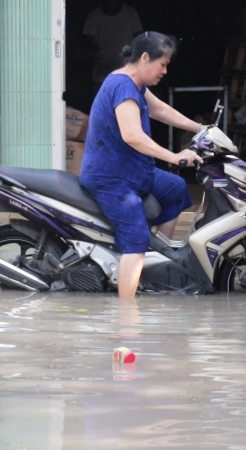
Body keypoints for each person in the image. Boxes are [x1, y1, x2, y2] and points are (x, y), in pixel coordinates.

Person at [79, 32, 204, 299]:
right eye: (163, 64)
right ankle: (127, 313)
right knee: (136, 242)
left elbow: (160, 110)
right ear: (145, 58)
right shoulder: (122, 87)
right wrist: (173, 156)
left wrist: (201, 129)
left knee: (176, 189)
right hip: (111, 179)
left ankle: (161, 263)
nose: (165, 71)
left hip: (133, 171)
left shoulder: (135, 84)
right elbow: (132, 135)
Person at [83, 0, 144, 97]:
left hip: (127, 75)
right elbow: (89, 43)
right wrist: (102, 58)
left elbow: (139, 41)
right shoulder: (95, 16)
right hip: (101, 77)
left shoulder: (131, 14)